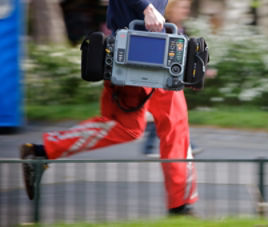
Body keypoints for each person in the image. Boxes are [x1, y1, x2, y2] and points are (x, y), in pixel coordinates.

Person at [20, 0, 198, 216]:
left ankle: (42, 151)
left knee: (137, 127)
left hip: (140, 55)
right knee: (168, 128)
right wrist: (147, 8)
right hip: (137, 57)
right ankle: (181, 205)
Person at [142, 0, 203, 158]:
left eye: (187, 8)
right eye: (183, 8)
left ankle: (155, 148)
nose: (186, 11)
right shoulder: (162, 26)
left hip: (174, 79)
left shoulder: (182, 28)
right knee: (169, 114)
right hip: (163, 78)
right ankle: (185, 147)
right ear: (172, 9)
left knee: (168, 115)